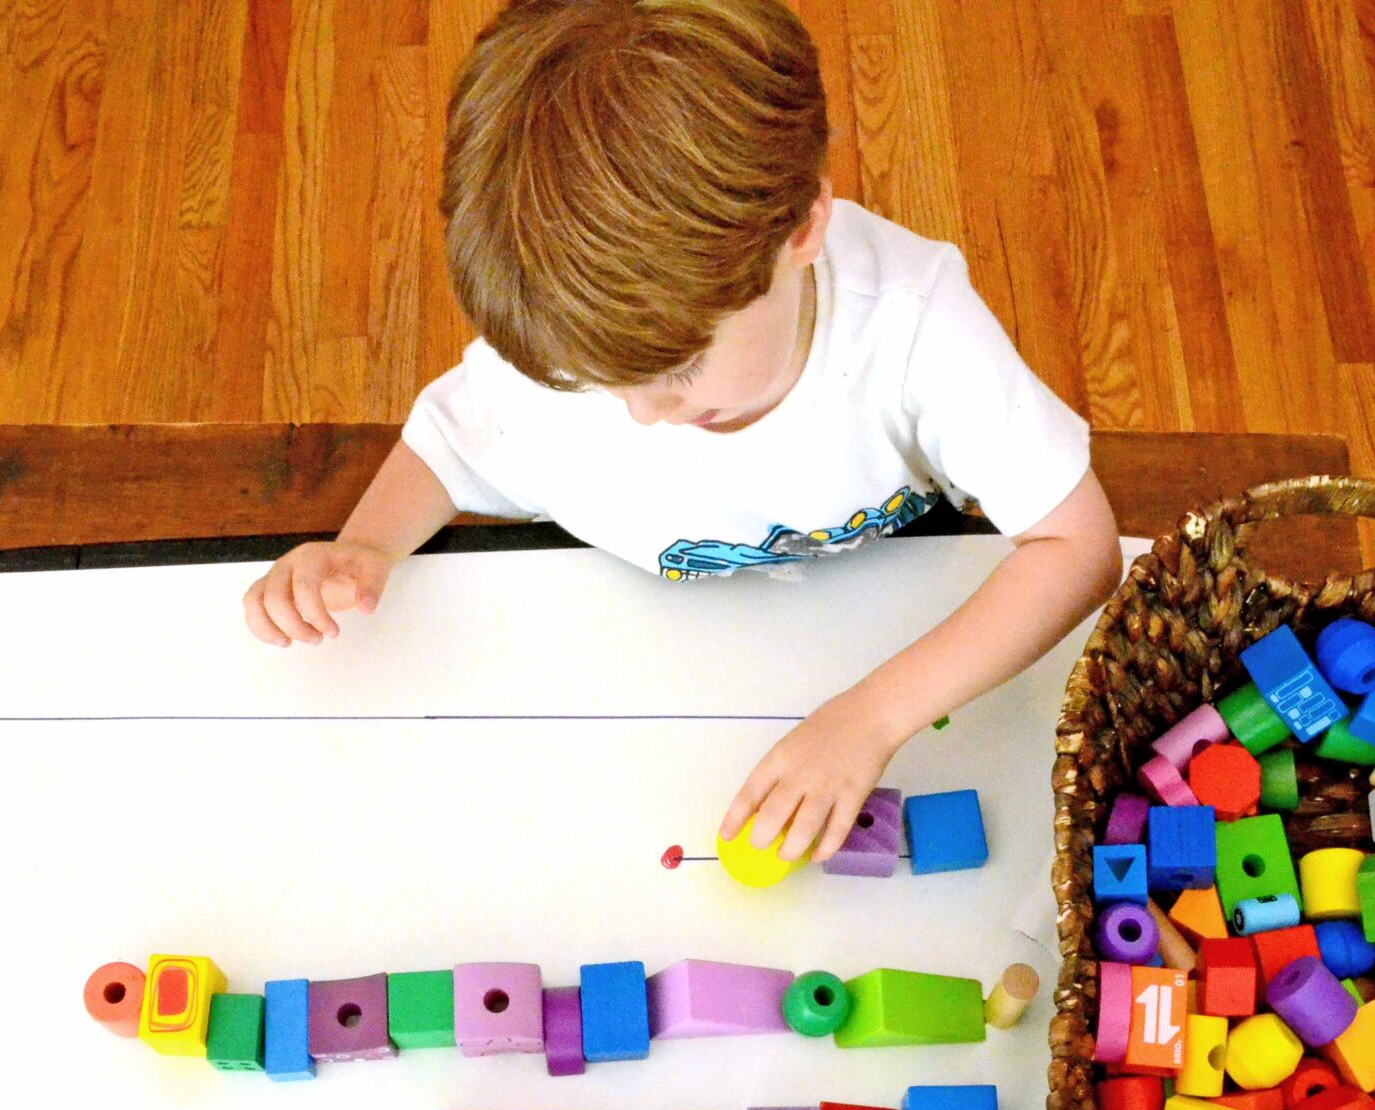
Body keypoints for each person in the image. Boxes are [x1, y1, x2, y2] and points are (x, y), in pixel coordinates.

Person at [242, 0, 1122, 866]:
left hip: (879, 625)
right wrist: (363, 547)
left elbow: (1077, 546)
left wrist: (872, 717)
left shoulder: (915, 329)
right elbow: (450, 445)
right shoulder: (567, 344)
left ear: (802, 228)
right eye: (597, 382)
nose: (642, 413)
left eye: (679, 372)